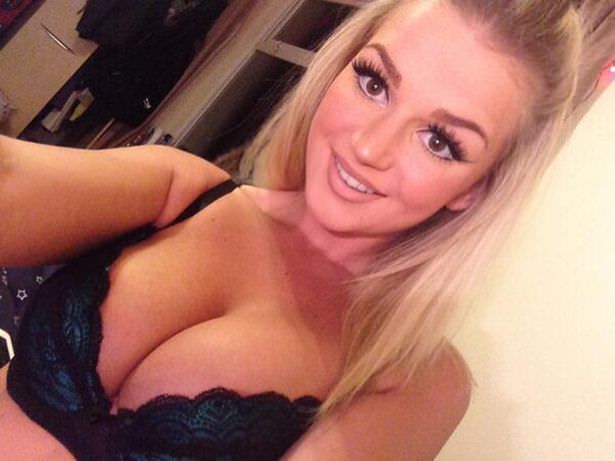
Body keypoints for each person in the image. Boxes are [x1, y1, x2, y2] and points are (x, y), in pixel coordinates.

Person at [0, 0, 611, 459]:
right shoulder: (179, 190)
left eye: (440, 141)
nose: (368, 147)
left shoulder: (412, 381)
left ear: (476, 188)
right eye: (374, 82)